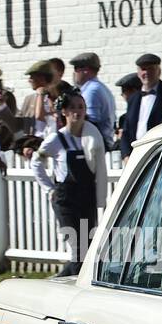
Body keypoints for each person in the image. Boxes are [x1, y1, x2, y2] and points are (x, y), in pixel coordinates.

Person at [31, 90, 109, 277]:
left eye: (81, 107)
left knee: (87, 246)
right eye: (72, 107)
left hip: (86, 197)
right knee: (77, 244)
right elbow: (36, 162)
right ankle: (74, 283)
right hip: (65, 198)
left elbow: (99, 169)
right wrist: (49, 189)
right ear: (64, 111)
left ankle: (60, 280)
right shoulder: (56, 139)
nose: (77, 111)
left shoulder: (92, 137)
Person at [120, 53, 162, 158]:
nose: (146, 73)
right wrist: (126, 155)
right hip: (135, 154)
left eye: (151, 69)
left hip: (161, 154)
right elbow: (126, 131)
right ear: (138, 73)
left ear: (159, 71)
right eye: (143, 69)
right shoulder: (133, 99)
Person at [68, 52, 115, 142]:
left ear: (86, 70)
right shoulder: (100, 87)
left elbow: (91, 122)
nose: (74, 73)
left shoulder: (91, 91)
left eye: (76, 68)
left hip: (95, 142)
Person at [18, 60, 55, 138]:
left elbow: (41, 116)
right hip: (32, 144)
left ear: (42, 78)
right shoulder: (29, 99)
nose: (29, 80)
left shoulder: (55, 97)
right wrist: (2, 106)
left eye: (32, 77)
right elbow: (17, 125)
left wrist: (41, 94)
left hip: (51, 142)